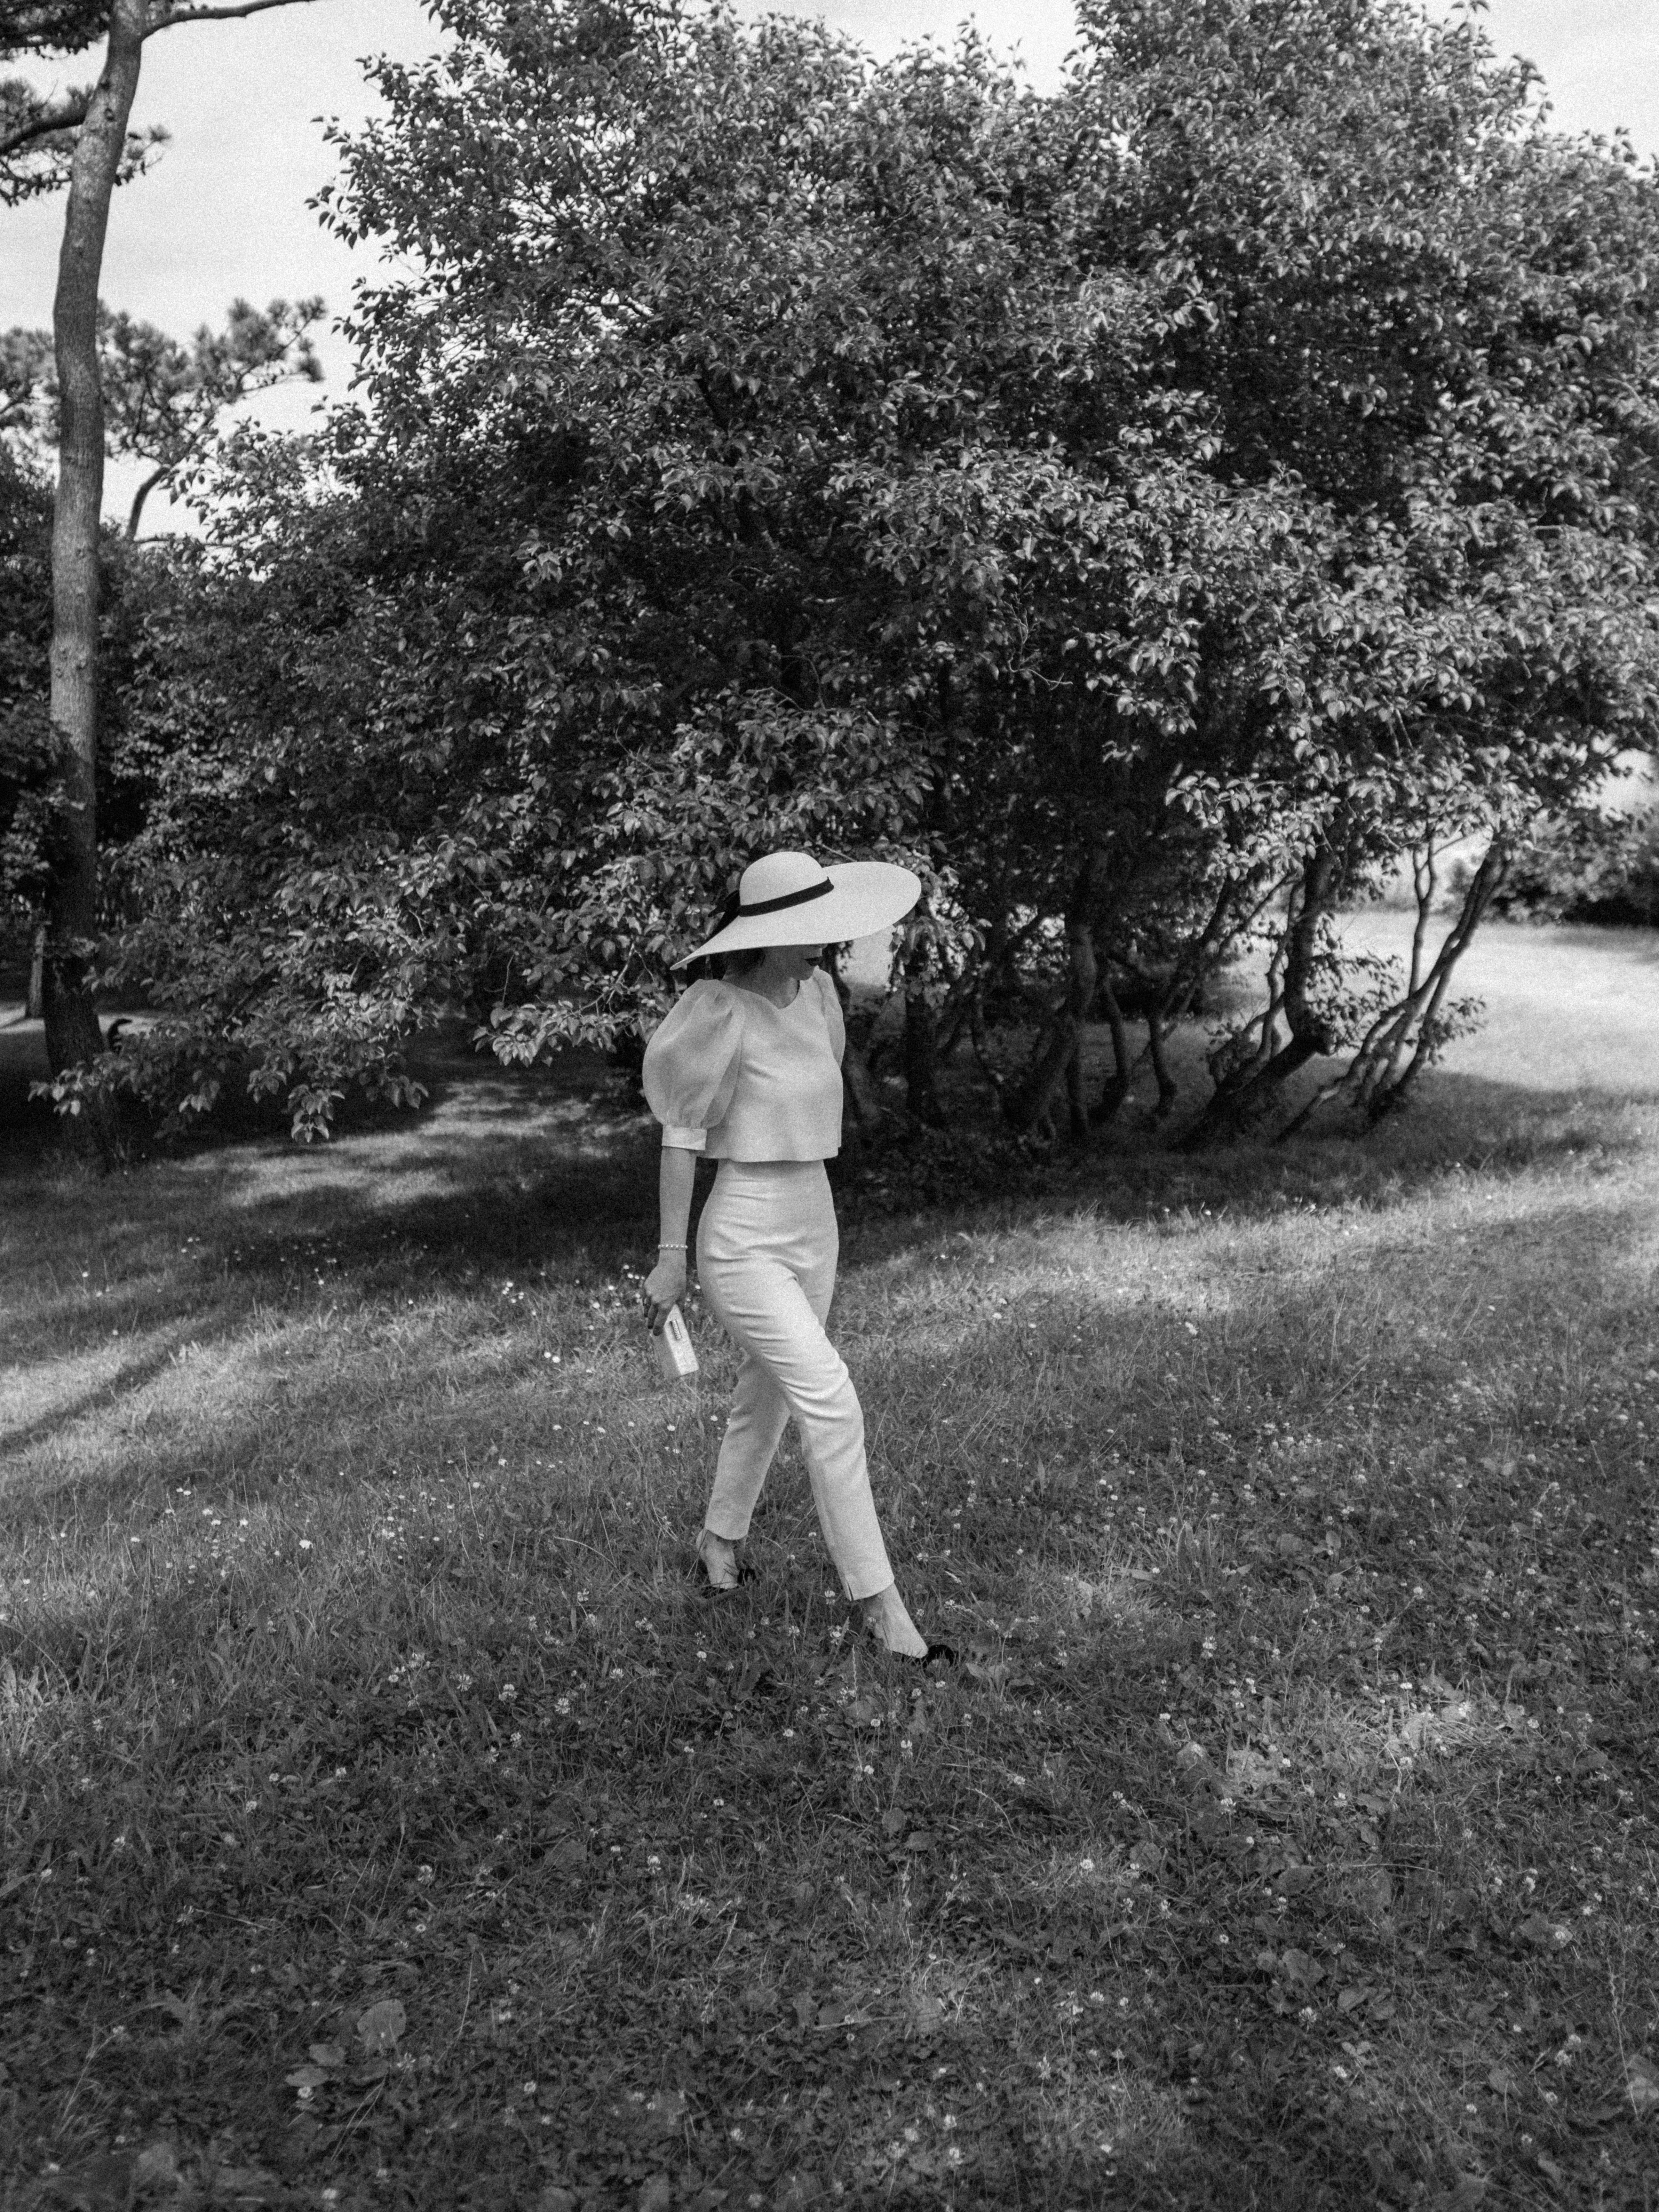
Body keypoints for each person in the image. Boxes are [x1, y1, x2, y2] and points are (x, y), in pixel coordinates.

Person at [640, 849, 948, 1662]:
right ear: (765, 932)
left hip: (816, 1216)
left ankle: (718, 1541)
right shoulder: (714, 1007)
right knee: (831, 1398)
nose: (824, 945)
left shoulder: (816, 993)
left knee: (767, 1397)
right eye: (805, 932)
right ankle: (880, 1605)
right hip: (741, 1230)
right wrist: (672, 1255)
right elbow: (680, 1138)